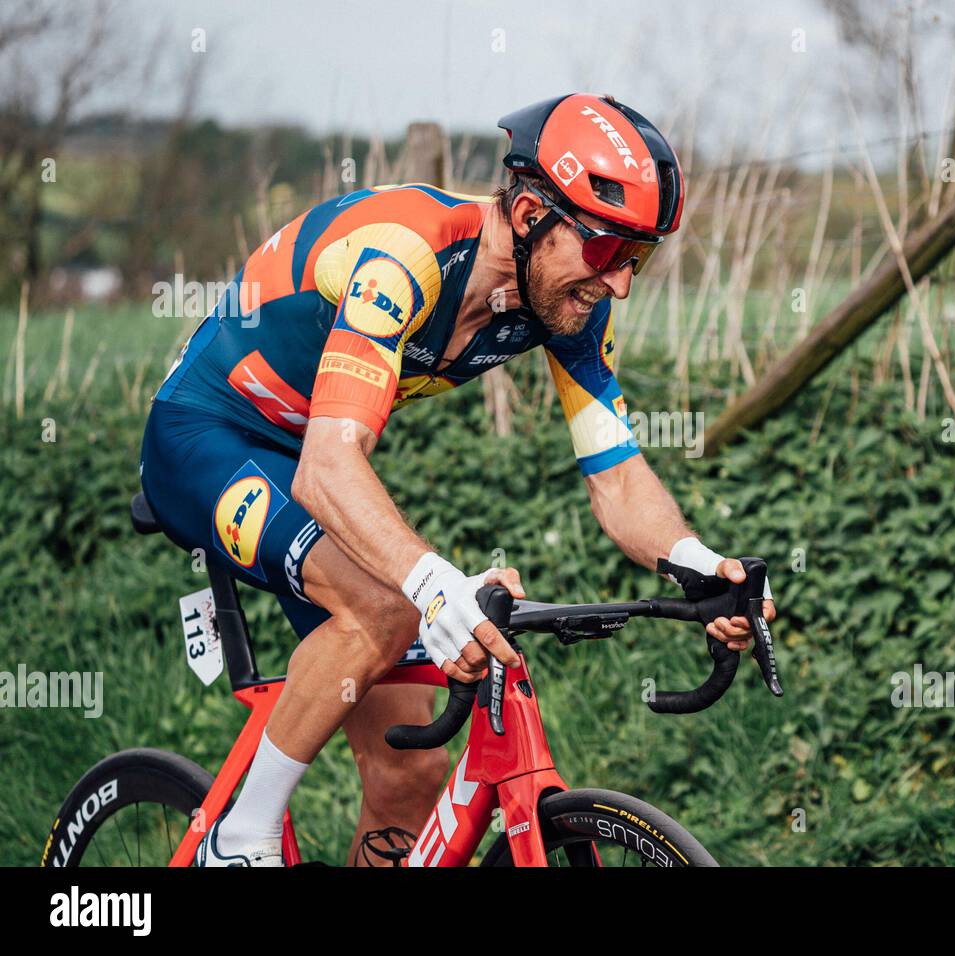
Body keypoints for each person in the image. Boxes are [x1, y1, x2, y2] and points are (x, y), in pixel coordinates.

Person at [139, 93, 776, 866]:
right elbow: (330, 467)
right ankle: (239, 842)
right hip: (208, 435)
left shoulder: (562, 301)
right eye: (609, 251)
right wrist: (433, 585)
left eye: (638, 258)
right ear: (534, 211)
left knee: (412, 769)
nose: (621, 285)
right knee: (384, 604)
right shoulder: (403, 256)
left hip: (312, 454)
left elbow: (616, 474)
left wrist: (698, 563)